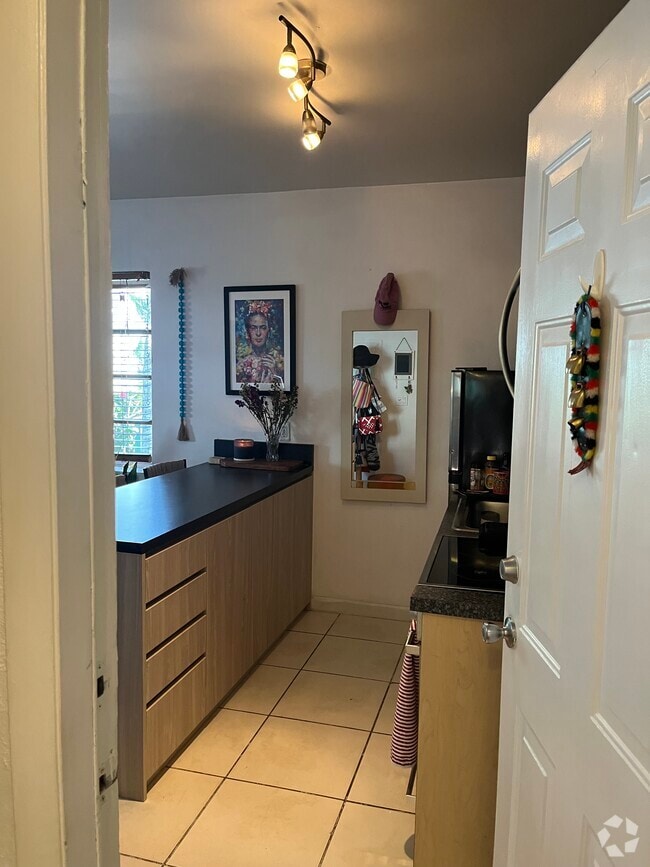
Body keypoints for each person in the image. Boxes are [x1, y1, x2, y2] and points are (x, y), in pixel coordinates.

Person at [235, 300, 284, 384]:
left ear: (269, 331)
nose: (258, 333)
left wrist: (274, 372)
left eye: (263, 328)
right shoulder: (240, 365)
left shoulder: (278, 360)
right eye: (253, 328)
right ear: (247, 331)